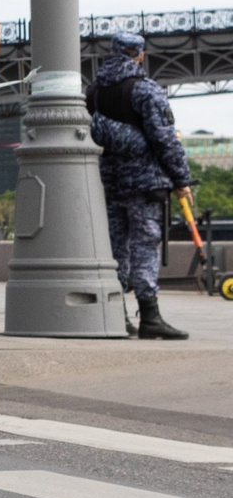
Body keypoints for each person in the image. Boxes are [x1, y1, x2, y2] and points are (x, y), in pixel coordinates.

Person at [91, 31, 193, 340]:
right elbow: (164, 140)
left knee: (115, 248)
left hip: (108, 182)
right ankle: (151, 317)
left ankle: (118, 315)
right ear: (140, 55)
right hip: (145, 182)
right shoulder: (146, 91)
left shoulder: (93, 92)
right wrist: (181, 180)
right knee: (146, 245)